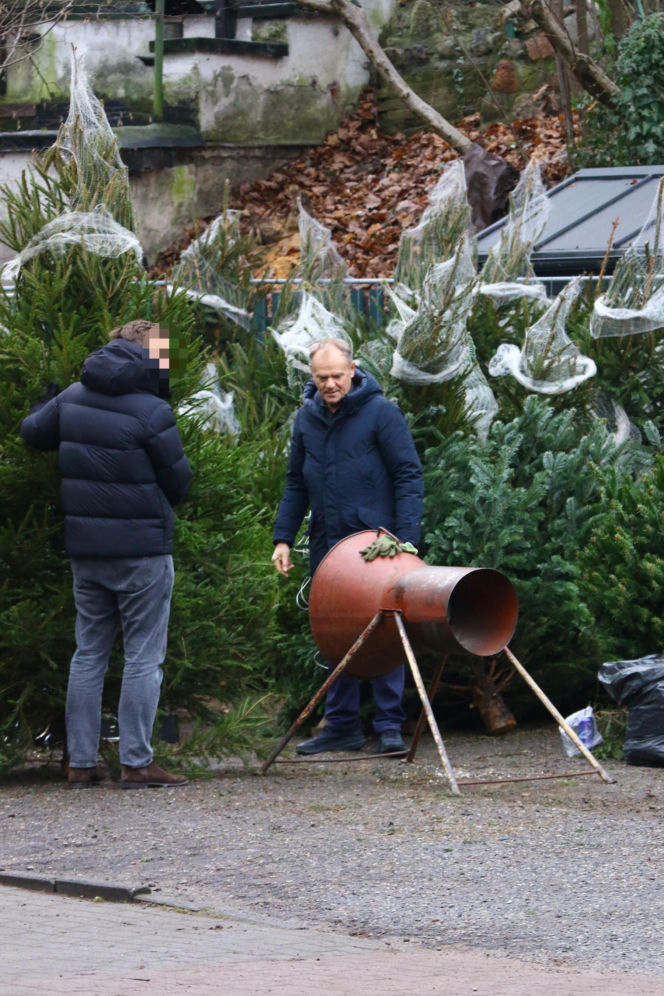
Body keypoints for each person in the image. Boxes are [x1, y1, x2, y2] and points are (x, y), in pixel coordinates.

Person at [20, 319, 192, 789]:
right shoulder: (152, 410)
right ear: (149, 356)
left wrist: (45, 396)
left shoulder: (73, 396)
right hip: (143, 553)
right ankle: (136, 763)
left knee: (89, 652)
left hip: (86, 551)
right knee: (142, 657)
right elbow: (180, 480)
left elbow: (32, 432)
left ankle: (80, 763)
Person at [272, 337, 423, 755]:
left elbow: (408, 474)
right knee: (331, 629)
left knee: (385, 628)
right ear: (312, 376)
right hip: (326, 544)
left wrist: (405, 540)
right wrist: (283, 537)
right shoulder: (306, 418)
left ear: (353, 369)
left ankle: (390, 725)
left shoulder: (381, 414)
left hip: (378, 546)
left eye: (337, 375)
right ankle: (341, 725)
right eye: (322, 377)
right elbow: (296, 481)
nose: (330, 384)